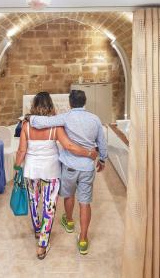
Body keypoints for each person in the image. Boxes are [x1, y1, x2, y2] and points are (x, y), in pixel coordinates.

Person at [14, 92, 98, 260]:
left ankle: (38, 230)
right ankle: (42, 244)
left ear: (34, 105)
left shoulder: (26, 125)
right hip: (51, 171)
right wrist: (89, 153)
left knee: (33, 202)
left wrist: (17, 166)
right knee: (49, 206)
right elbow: (68, 145)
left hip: (31, 171)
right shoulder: (55, 126)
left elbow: (22, 150)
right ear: (50, 106)